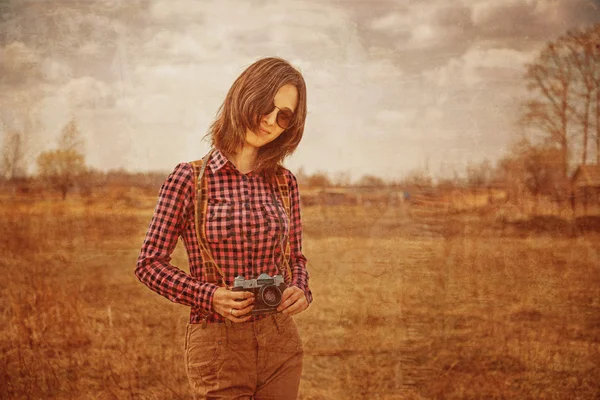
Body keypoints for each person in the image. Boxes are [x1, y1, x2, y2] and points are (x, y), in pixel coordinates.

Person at [134, 57, 312, 399]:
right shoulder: (189, 178)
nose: (271, 120)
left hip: (280, 341)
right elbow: (148, 264)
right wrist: (210, 296)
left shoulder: (285, 182)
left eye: (284, 116)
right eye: (267, 105)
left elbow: (296, 259)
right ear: (244, 96)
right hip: (218, 345)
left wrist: (301, 289)